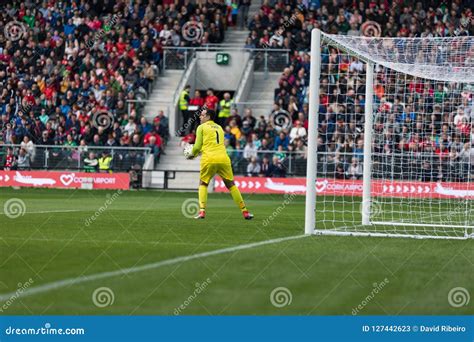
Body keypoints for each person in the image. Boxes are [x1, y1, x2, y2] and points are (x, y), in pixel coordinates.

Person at [188, 109, 253, 220]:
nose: (200, 117)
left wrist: (191, 154)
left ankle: (202, 212)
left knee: (203, 183)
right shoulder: (219, 128)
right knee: (231, 185)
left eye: (202, 115)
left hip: (209, 158)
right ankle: (245, 212)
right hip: (223, 158)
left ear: (208, 117)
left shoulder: (201, 127)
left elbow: (198, 146)